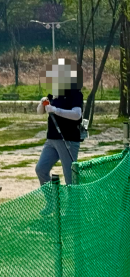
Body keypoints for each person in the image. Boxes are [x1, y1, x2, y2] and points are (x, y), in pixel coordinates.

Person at [36, 58, 84, 186]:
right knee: (41, 169)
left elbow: (77, 115)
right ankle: (53, 204)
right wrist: (42, 104)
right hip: (52, 139)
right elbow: (40, 112)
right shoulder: (54, 92)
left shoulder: (75, 93)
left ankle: (74, 206)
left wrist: (56, 110)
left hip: (68, 139)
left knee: (70, 178)